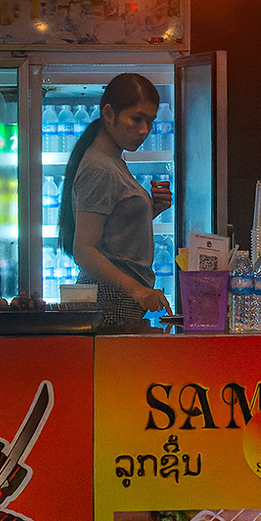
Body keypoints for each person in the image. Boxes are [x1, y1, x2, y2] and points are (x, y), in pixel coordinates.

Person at [61, 73, 171, 332]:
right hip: (110, 303)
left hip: (115, 302)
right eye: (136, 118)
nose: (144, 130)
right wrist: (138, 291)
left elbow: (113, 229)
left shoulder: (111, 161)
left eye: (150, 121)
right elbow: (84, 250)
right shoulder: (100, 168)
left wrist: (150, 210)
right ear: (109, 114)